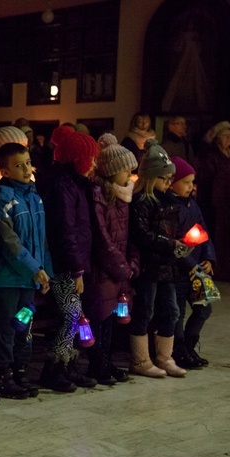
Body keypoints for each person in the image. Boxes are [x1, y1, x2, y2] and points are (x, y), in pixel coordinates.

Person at [0, 142, 51, 399]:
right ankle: (1, 376)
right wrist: (34, 268)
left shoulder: (34, 196)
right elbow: (9, 241)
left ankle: (19, 370)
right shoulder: (1, 198)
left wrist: (43, 270)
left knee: (24, 325)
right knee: (5, 328)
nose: (25, 169)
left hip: (29, 278)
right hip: (7, 278)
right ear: (4, 170)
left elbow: (41, 238)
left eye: (27, 162)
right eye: (18, 165)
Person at [40, 125, 99, 392]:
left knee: (75, 315)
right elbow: (65, 230)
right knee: (71, 315)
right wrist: (76, 268)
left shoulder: (75, 184)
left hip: (72, 263)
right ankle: (55, 367)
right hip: (64, 265)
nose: (95, 164)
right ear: (79, 159)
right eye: (92, 158)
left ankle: (67, 363)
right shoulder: (62, 186)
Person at [82, 134, 139, 385]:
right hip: (102, 270)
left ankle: (106, 360)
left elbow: (128, 235)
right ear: (113, 171)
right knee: (99, 315)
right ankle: (97, 363)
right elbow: (102, 238)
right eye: (126, 170)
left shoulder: (124, 197)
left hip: (117, 269)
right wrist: (122, 267)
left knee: (110, 319)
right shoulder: (98, 195)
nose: (130, 175)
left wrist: (130, 264)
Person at [128, 139, 186, 378]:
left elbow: (173, 229)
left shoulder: (170, 202)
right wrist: (170, 244)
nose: (169, 182)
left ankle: (165, 357)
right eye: (164, 178)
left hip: (167, 265)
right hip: (149, 265)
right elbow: (141, 234)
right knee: (145, 310)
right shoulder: (142, 202)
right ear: (152, 177)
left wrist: (180, 243)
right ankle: (140, 359)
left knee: (171, 310)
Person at [168, 157, 216, 369]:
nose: (191, 186)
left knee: (204, 307)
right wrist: (190, 264)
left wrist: (208, 258)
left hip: (198, 271)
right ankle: (179, 349)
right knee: (177, 312)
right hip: (179, 272)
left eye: (192, 182)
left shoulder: (193, 205)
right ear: (172, 181)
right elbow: (174, 245)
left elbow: (204, 234)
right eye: (186, 182)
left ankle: (189, 344)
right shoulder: (169, 207)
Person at [196, 121, 230, 239]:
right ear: (217, 138)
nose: (229, 138)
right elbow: (208, 178)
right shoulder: (210, 156)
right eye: (225, 135)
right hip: (213, 200)